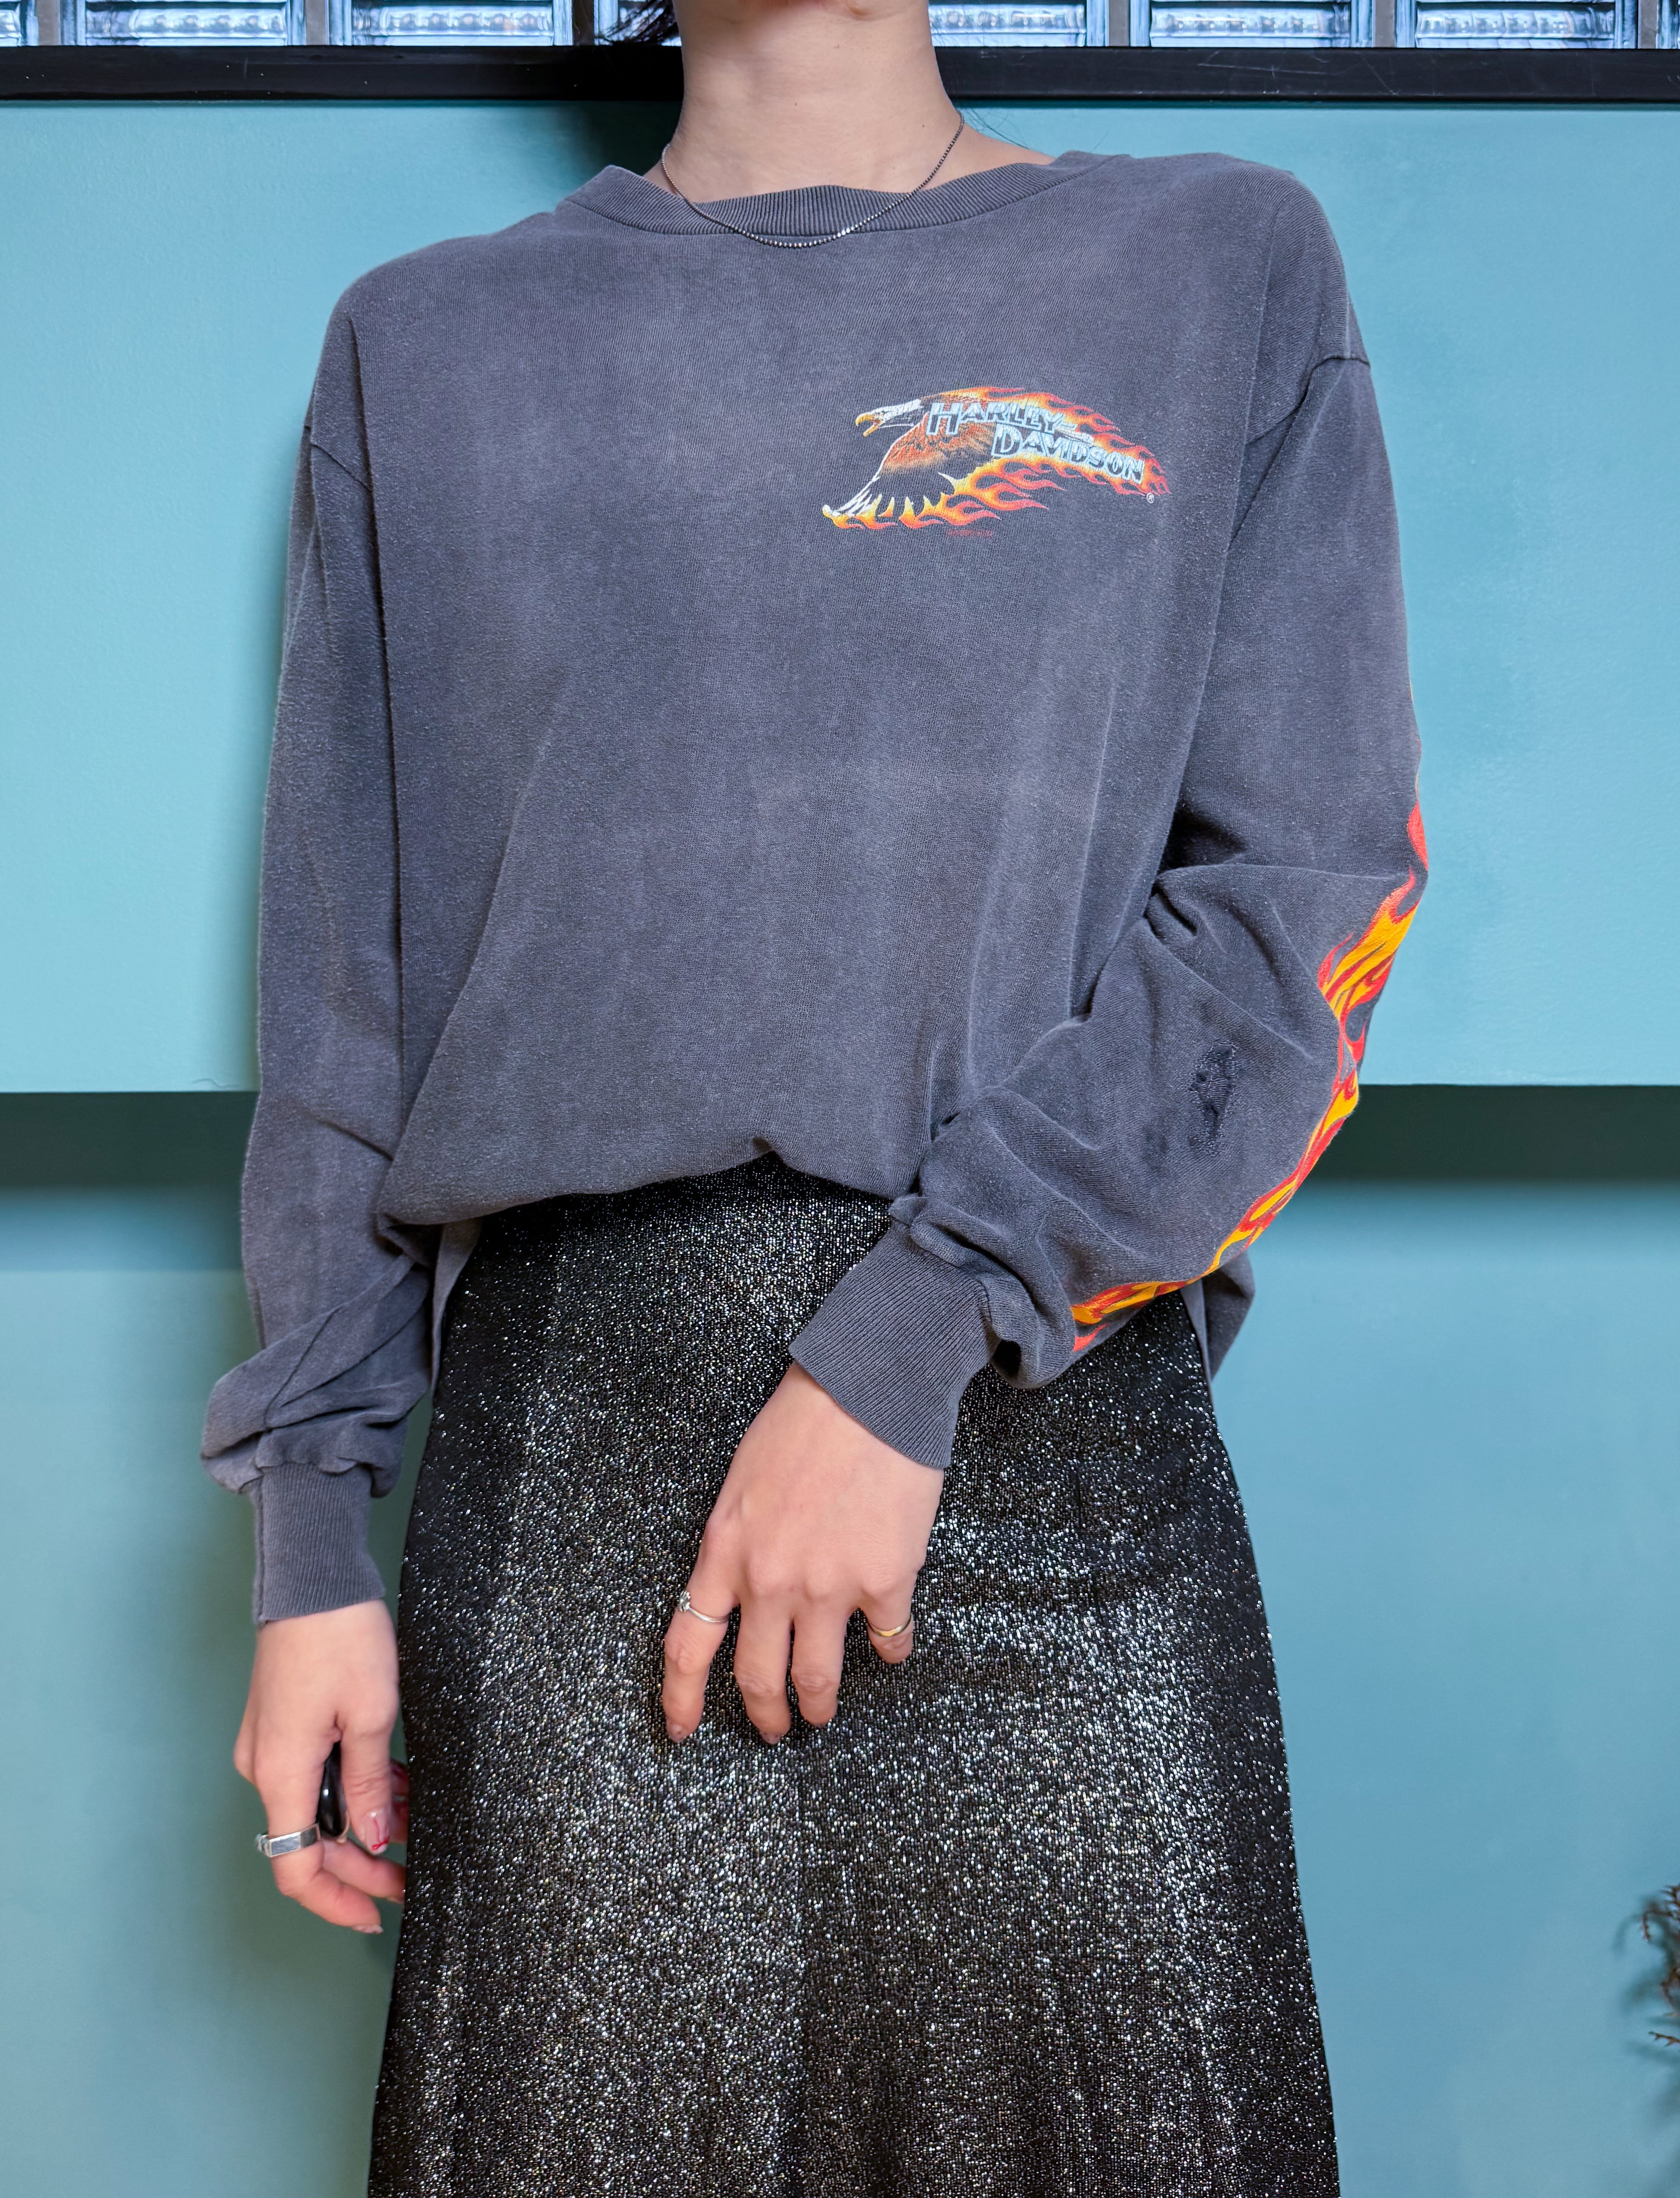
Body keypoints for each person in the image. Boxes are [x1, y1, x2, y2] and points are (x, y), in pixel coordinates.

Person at [206, 0, 1425, 2186]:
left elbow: (1302, 907)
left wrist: (907, 1339)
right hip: (572, 1505)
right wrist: (311, 1534)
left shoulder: (1220, 264)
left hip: (1049, 1452)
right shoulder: (425, 346)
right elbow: (346, 1009)